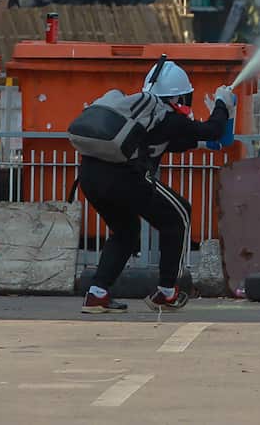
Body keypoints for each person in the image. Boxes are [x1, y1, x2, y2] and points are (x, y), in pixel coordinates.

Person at [78, 57, 236, 314]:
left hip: (90, 176)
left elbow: (167, 143)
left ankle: (97, 294)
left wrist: (203, 143)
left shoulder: (139, 111)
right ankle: (167, 292)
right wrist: (222, 103)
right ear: (178, 98)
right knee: (179, 214)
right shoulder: (167, 116)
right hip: (125, 179)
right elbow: (212, 129)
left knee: (126, 232)